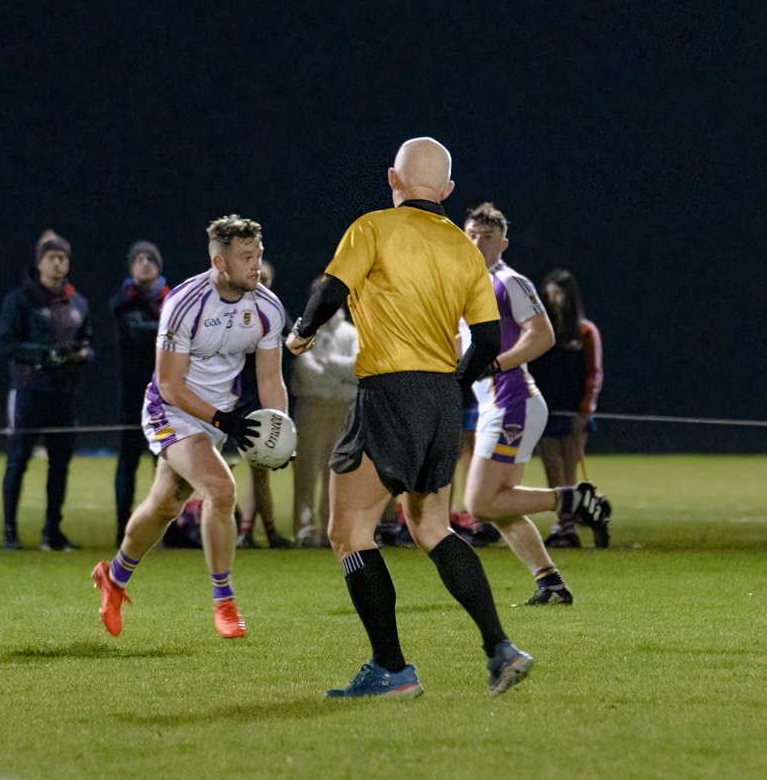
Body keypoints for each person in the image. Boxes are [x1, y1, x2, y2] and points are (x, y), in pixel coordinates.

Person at [287, 137, 555, 699]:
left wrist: (301, 333)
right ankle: (500, 648)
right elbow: (485, 339)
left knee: (348, 531)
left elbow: (332, 289)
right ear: (449, 191)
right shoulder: (463, 248)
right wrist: (452, 383)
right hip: (441, 399)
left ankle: (392, 669)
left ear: (393, 179)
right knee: (431, 527)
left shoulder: (374, 228)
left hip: (388, 391)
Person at [92, 214, 287, 639]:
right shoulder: (184, 303)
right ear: (220, 262)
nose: (257, 266)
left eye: (259, 255)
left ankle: (114, 577)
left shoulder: (267, 306)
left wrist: (280, 430)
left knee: (166, 505)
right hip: (172, 410)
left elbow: (271, 380)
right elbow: (169, 384)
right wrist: (225, 421)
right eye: (247, 257)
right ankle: (225, 600)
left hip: (219, 417)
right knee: (221, 490)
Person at [460, 203, 593, 606]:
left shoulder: (510, 282)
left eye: (487, 236)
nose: (477, 242)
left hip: (512, 401)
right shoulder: (465, 283)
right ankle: (550, 583)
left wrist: (495, 364)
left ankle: (571, 499)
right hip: (496, 404)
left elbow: (542, 335)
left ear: (503, 243)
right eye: (471, 234)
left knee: (478, 503)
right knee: (499, 505)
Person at [0, 230, 93, 552]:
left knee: (60, 465)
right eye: (52, 257)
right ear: (39, 263)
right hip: (30, 391)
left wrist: (81, 354)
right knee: (18, 461)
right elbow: (5, 343)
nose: (58, 263)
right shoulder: (20, 299)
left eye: (63, 257)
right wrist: (42, 354)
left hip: (65, 395)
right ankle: (9, 531)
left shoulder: (77, 302)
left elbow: (89, 341)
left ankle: (52, 532)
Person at [528, 269, 604, 548]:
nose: (552, 300)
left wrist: (585, 412)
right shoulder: (541, 331)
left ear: (570, 296)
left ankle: (568, 525)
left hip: (574, 413)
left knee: (570, 469)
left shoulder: (585, 331)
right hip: (546, 412)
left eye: (557, 294)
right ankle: (563, 525)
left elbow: (594, 374)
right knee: (552, 469)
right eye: (547, 295)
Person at [110, 240, 169, 544]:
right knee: (128, 461)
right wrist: (165, 329)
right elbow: (137, 335)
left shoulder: (171, 299)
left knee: (165, 461)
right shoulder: (122, 302)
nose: (145, 263)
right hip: (133, 394)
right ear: (131, 267)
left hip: (167, 395)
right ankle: (123, 528)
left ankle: (164, 529)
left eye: (151, 259)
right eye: (139, 259)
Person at [290, 304, 357, 548]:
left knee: (336, 475)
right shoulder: (304, 331)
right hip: (312, 408)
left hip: (342, 411)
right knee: (306, 473)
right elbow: (306, 371)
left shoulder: (351, 332)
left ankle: (331, 528)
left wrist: (327, 363)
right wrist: (340, 380)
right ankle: (304, 530)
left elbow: (358, 369)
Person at [235, 260, 292, 550]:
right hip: (235, 399)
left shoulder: (274, 310)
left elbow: (293, 343)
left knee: (258, 468)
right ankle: (247, 530)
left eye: (266, 277)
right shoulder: (233, 309)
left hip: (261, 398)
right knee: (230, 468)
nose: (262, 282)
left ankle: (253, 531)